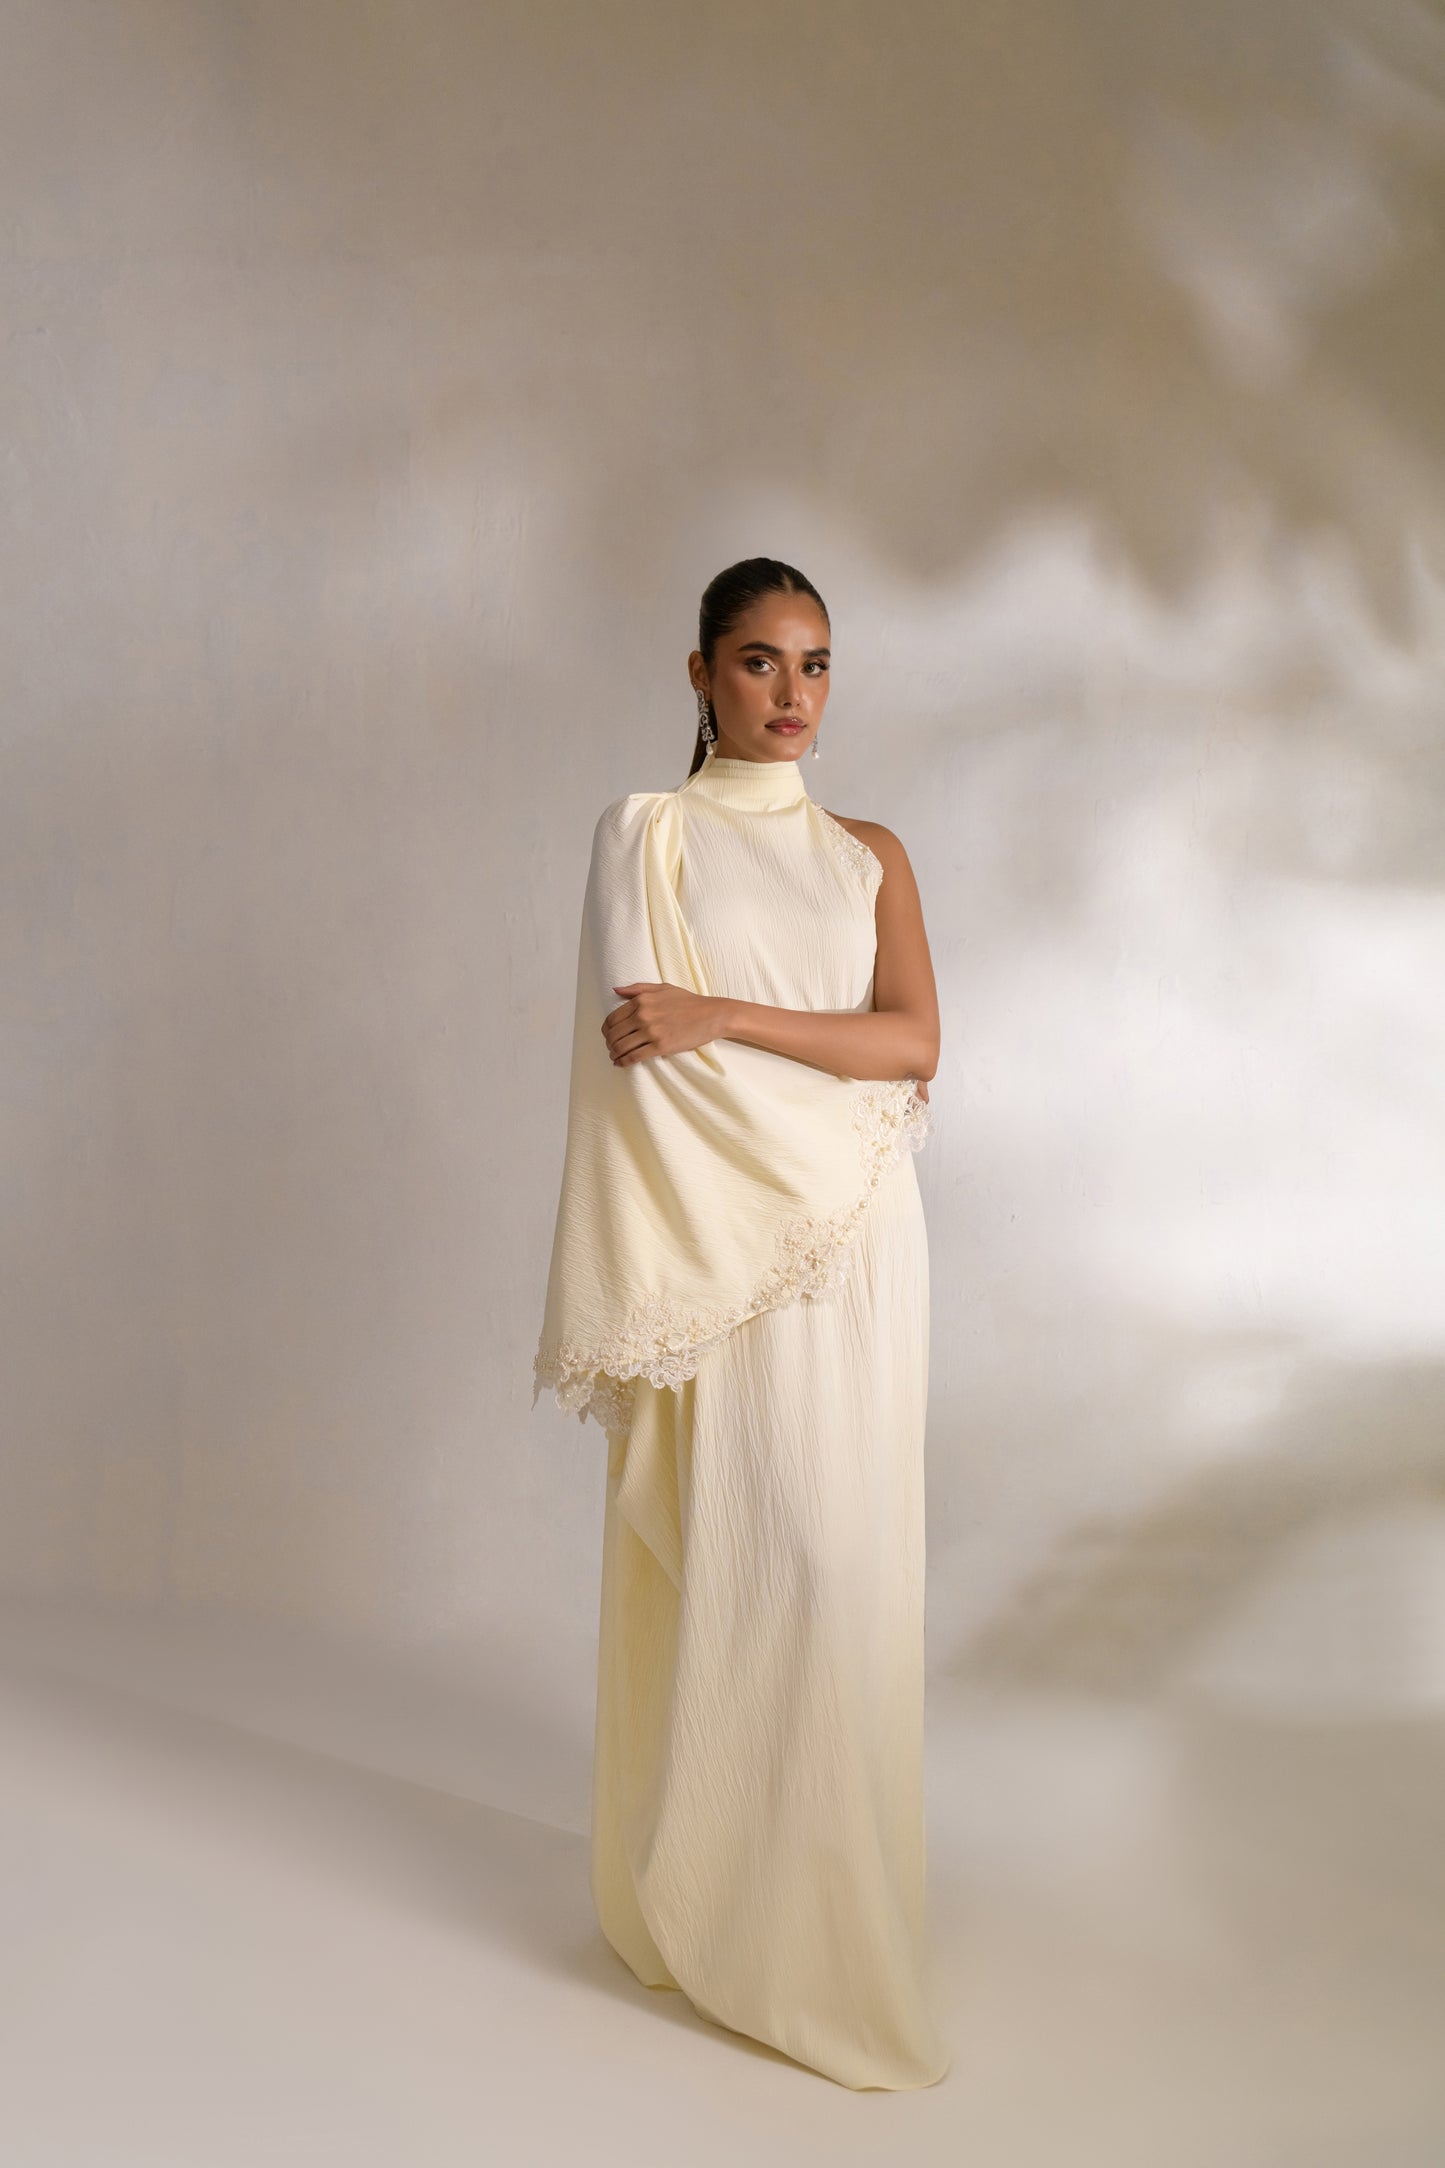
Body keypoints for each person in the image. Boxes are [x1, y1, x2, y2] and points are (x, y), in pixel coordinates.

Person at [533, 556, 950, 2090]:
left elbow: (913, 1040)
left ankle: (832, 1922)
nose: (793, 693)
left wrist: (730, 1016)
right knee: (755, 1560)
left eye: (816, 663)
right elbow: (650, 1060)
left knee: (846, 1571)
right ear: (700, 673)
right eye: (761, 660)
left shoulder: (869, 854)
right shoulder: (645, 835)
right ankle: (719, 1905)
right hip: (721, 1260)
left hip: (861, 1252)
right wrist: (772, 1056)